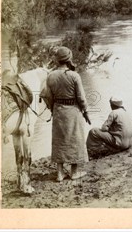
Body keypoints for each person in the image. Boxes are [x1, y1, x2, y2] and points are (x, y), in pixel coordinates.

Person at [39, 46, 90, 181]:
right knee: (75, 139)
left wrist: (52, 108)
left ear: (58, 60)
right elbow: (81, 98)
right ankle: (74, 172)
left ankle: (60, 173)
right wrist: (86, 111)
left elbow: (47, 96)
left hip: (58, 111)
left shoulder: (50, 76)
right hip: (73, 111)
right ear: (69, 59)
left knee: (59, 141)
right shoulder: (74, 76)